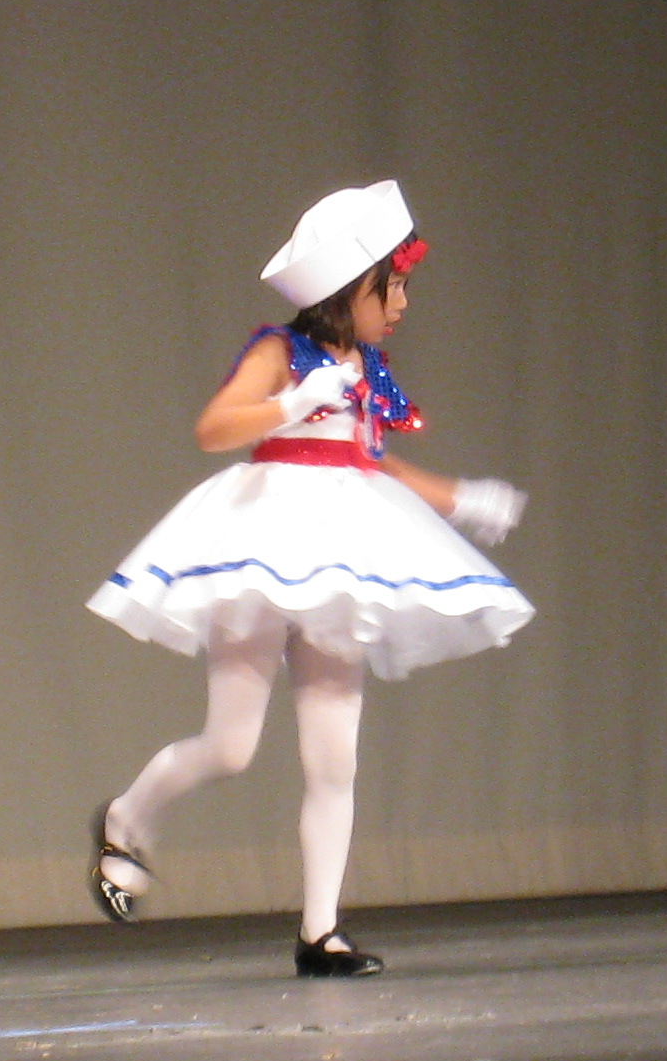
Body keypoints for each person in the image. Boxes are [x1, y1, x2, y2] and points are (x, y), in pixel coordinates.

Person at [84, 181, 529, 977]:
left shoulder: (368, 367)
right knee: (232, 746)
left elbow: (371, 457)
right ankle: (126, 818)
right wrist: (290, 403)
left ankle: (321, 931)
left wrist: (458, 499)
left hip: (342, 552)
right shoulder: (280, 352)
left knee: (335, 759)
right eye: (393, 286)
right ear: (350, 286)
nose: (402, 304)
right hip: (263, 539)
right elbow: (214, 428)